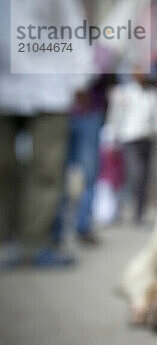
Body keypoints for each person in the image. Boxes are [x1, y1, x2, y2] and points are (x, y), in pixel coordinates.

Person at [0, 0, 91, 266]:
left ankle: (35, 243)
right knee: (4, 165)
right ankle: (9, 239)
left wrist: (80, 77)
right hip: (4, 84)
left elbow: (72, 24)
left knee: (47, 168)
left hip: (50, 82)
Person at [106, 70, 157, 224]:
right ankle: (128, 206)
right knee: (137, 173)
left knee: (145, 176)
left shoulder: (154, 95)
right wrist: (111, 139)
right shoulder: (123, 94)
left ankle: (139, 212)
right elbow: (115, 117)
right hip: (129, 140)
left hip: (147, 139)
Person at [53, 81, 107, 245]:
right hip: (59, 110)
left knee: (89, 175)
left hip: (90, 111)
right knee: (54, 174)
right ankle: (55, 230)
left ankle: (82, 226)